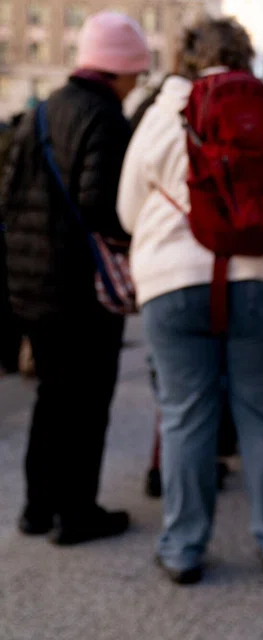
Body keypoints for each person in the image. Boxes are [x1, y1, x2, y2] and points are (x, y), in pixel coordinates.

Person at [117, 17, 263, 585]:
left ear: (184, 57)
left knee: (184, 416)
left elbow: (128, 211)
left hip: (174, 282)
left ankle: (183, 549)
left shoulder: (163, 112)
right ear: (245, 55)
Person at [0, 11, 149, 545]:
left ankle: (36, 508)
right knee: (86, 403)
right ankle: (76, 512)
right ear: (120, 68)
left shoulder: (39, 113)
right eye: (137, 71)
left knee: (51, 397)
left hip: (32, 287)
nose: (138, 83)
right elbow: (100, 205)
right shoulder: (104, 117)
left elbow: (11, 199)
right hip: (80, 290)